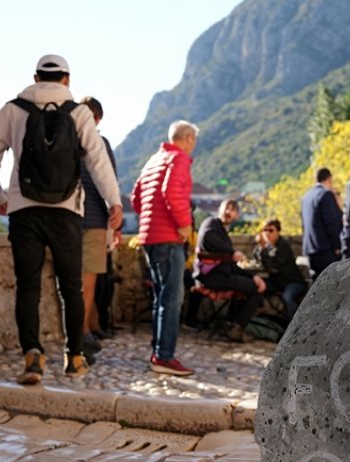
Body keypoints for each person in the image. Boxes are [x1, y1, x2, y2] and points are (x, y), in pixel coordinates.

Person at [0, 54, 122, 385]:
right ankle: (74, 358)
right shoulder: (80, 113)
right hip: (67, 211)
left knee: (28, 286)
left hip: (24, 211)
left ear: (35, 76)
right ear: (66, 80)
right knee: (70, 286)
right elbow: (98, 161)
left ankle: (33, 357)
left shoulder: (12, 110)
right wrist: (113, 201)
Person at [132, 121, 199, 376]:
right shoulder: (179, 159)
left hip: (149, 236)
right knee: (172, 298)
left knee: (162, 297)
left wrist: (151, 219)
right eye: (194, 141)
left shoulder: (154, 159)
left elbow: (137, 197)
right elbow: (172, 192)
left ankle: (158, 352)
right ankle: (164, 357)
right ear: (189, 138)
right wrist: (183, 225)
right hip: (168, 237)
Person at [77, 97, 122, 364]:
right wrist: (115, 224)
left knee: (70, 283)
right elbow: (110, 182)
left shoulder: (66, 138)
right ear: (96, 119)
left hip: (65, 218)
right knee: (88, 282)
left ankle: (86, 330)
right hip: (92, 218)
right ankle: (82, 334)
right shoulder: (100, 143)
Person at [195, 200, 267, 341]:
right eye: (226, 208)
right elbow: (207, 237)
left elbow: (232, 265)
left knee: (253, 285)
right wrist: (232, 252)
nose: (228, 212)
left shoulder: (224, 235)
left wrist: (253, 277)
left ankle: (230, 324)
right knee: (256, 291)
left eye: (233, 210)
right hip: (213, 277)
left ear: (236, 215)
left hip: (224, 275)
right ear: (219, 209)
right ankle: (236, 327)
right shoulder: (211, 223)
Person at [252, 217, 307, 323]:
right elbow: (256, 259)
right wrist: (261, 247)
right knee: (254, 285)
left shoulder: (282, 245)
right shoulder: (266, 245)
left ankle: (295, 325)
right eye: (265, 230)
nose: (267, 233)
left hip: (293, 282)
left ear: (278, 231)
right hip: (277, 281)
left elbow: (273, 264)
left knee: (288, 297)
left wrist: (263, 249)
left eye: (271, 230)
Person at [300, 167, 343, 280]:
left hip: (310, 249)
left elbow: (304, 224)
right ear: (329, 179)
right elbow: (332, 223)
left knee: (315, 286)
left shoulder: (306, 196)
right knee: (331, 285)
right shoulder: (326, 194)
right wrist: (337, 245)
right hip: (326, 250)